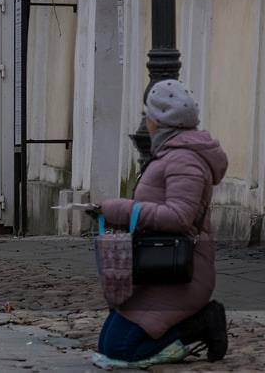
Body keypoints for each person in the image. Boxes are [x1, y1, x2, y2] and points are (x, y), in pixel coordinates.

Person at [92, 79, 229, 366]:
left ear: (157, 120)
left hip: (181, 271)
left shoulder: (184, 159)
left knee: (119, 350)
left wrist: (120, 209)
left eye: (147, 115)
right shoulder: (170, 153)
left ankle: (202, 323)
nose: (146, 121)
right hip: (157, 266)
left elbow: (179, 217)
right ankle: (186, 324)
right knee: (106, 346)